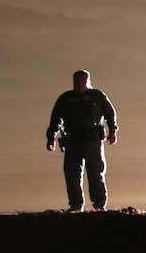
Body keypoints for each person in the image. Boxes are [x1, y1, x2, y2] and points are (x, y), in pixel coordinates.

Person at [46, 69, 119, 212]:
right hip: (72, 141)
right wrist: (51, 137)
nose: (79, 83)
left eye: (82, 80)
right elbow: (55, 119)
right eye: (77, 80)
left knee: (95, 173)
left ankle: (99, 205)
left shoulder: (97, 96)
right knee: (72, 174)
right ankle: (75, 205)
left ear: (88, 81)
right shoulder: (65, 99)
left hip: (92, 141)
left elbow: (110, 114)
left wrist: (113, 131)